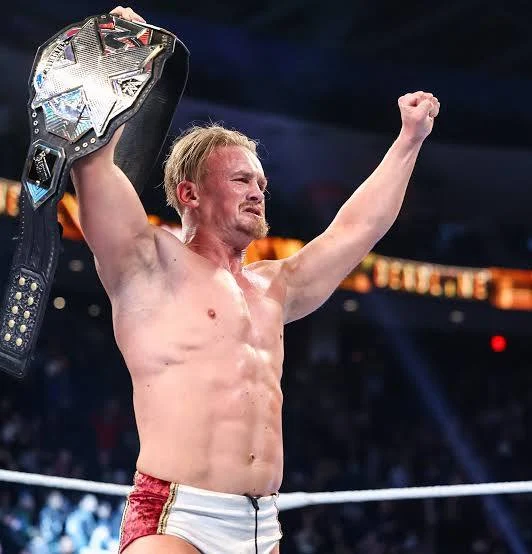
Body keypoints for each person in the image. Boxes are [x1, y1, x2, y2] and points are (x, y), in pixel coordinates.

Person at [70, 6, 440, 553]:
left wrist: (409, 140)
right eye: (241, 179)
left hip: (261, 524)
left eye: (261, 183)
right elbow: (94, 168)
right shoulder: (148, 265)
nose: (257, 192)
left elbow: (357, 229)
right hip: (175, 516)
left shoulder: (275, 287)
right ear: (190, 194)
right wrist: (111, 57)